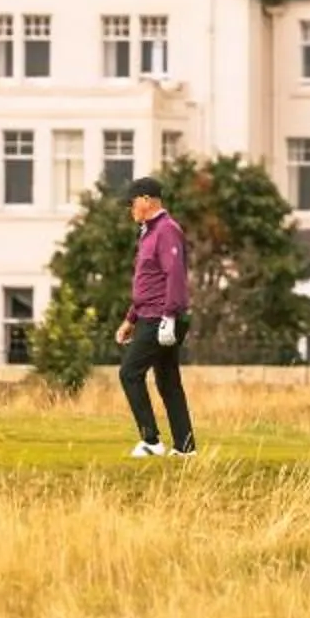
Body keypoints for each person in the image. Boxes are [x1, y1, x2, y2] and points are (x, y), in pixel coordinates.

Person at [112, 175, 197, 458]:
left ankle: (151, 441)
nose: (130, 209)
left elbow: (174, 275)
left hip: (161, 316)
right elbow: (148, 282)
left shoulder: (166, 230)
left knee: (129, 373)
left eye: (132, 202)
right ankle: (185, 448)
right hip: (150, 315)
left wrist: (169, 316)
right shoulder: (149, 232)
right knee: (167, 380)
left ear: (147, 200)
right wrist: (130, 320)